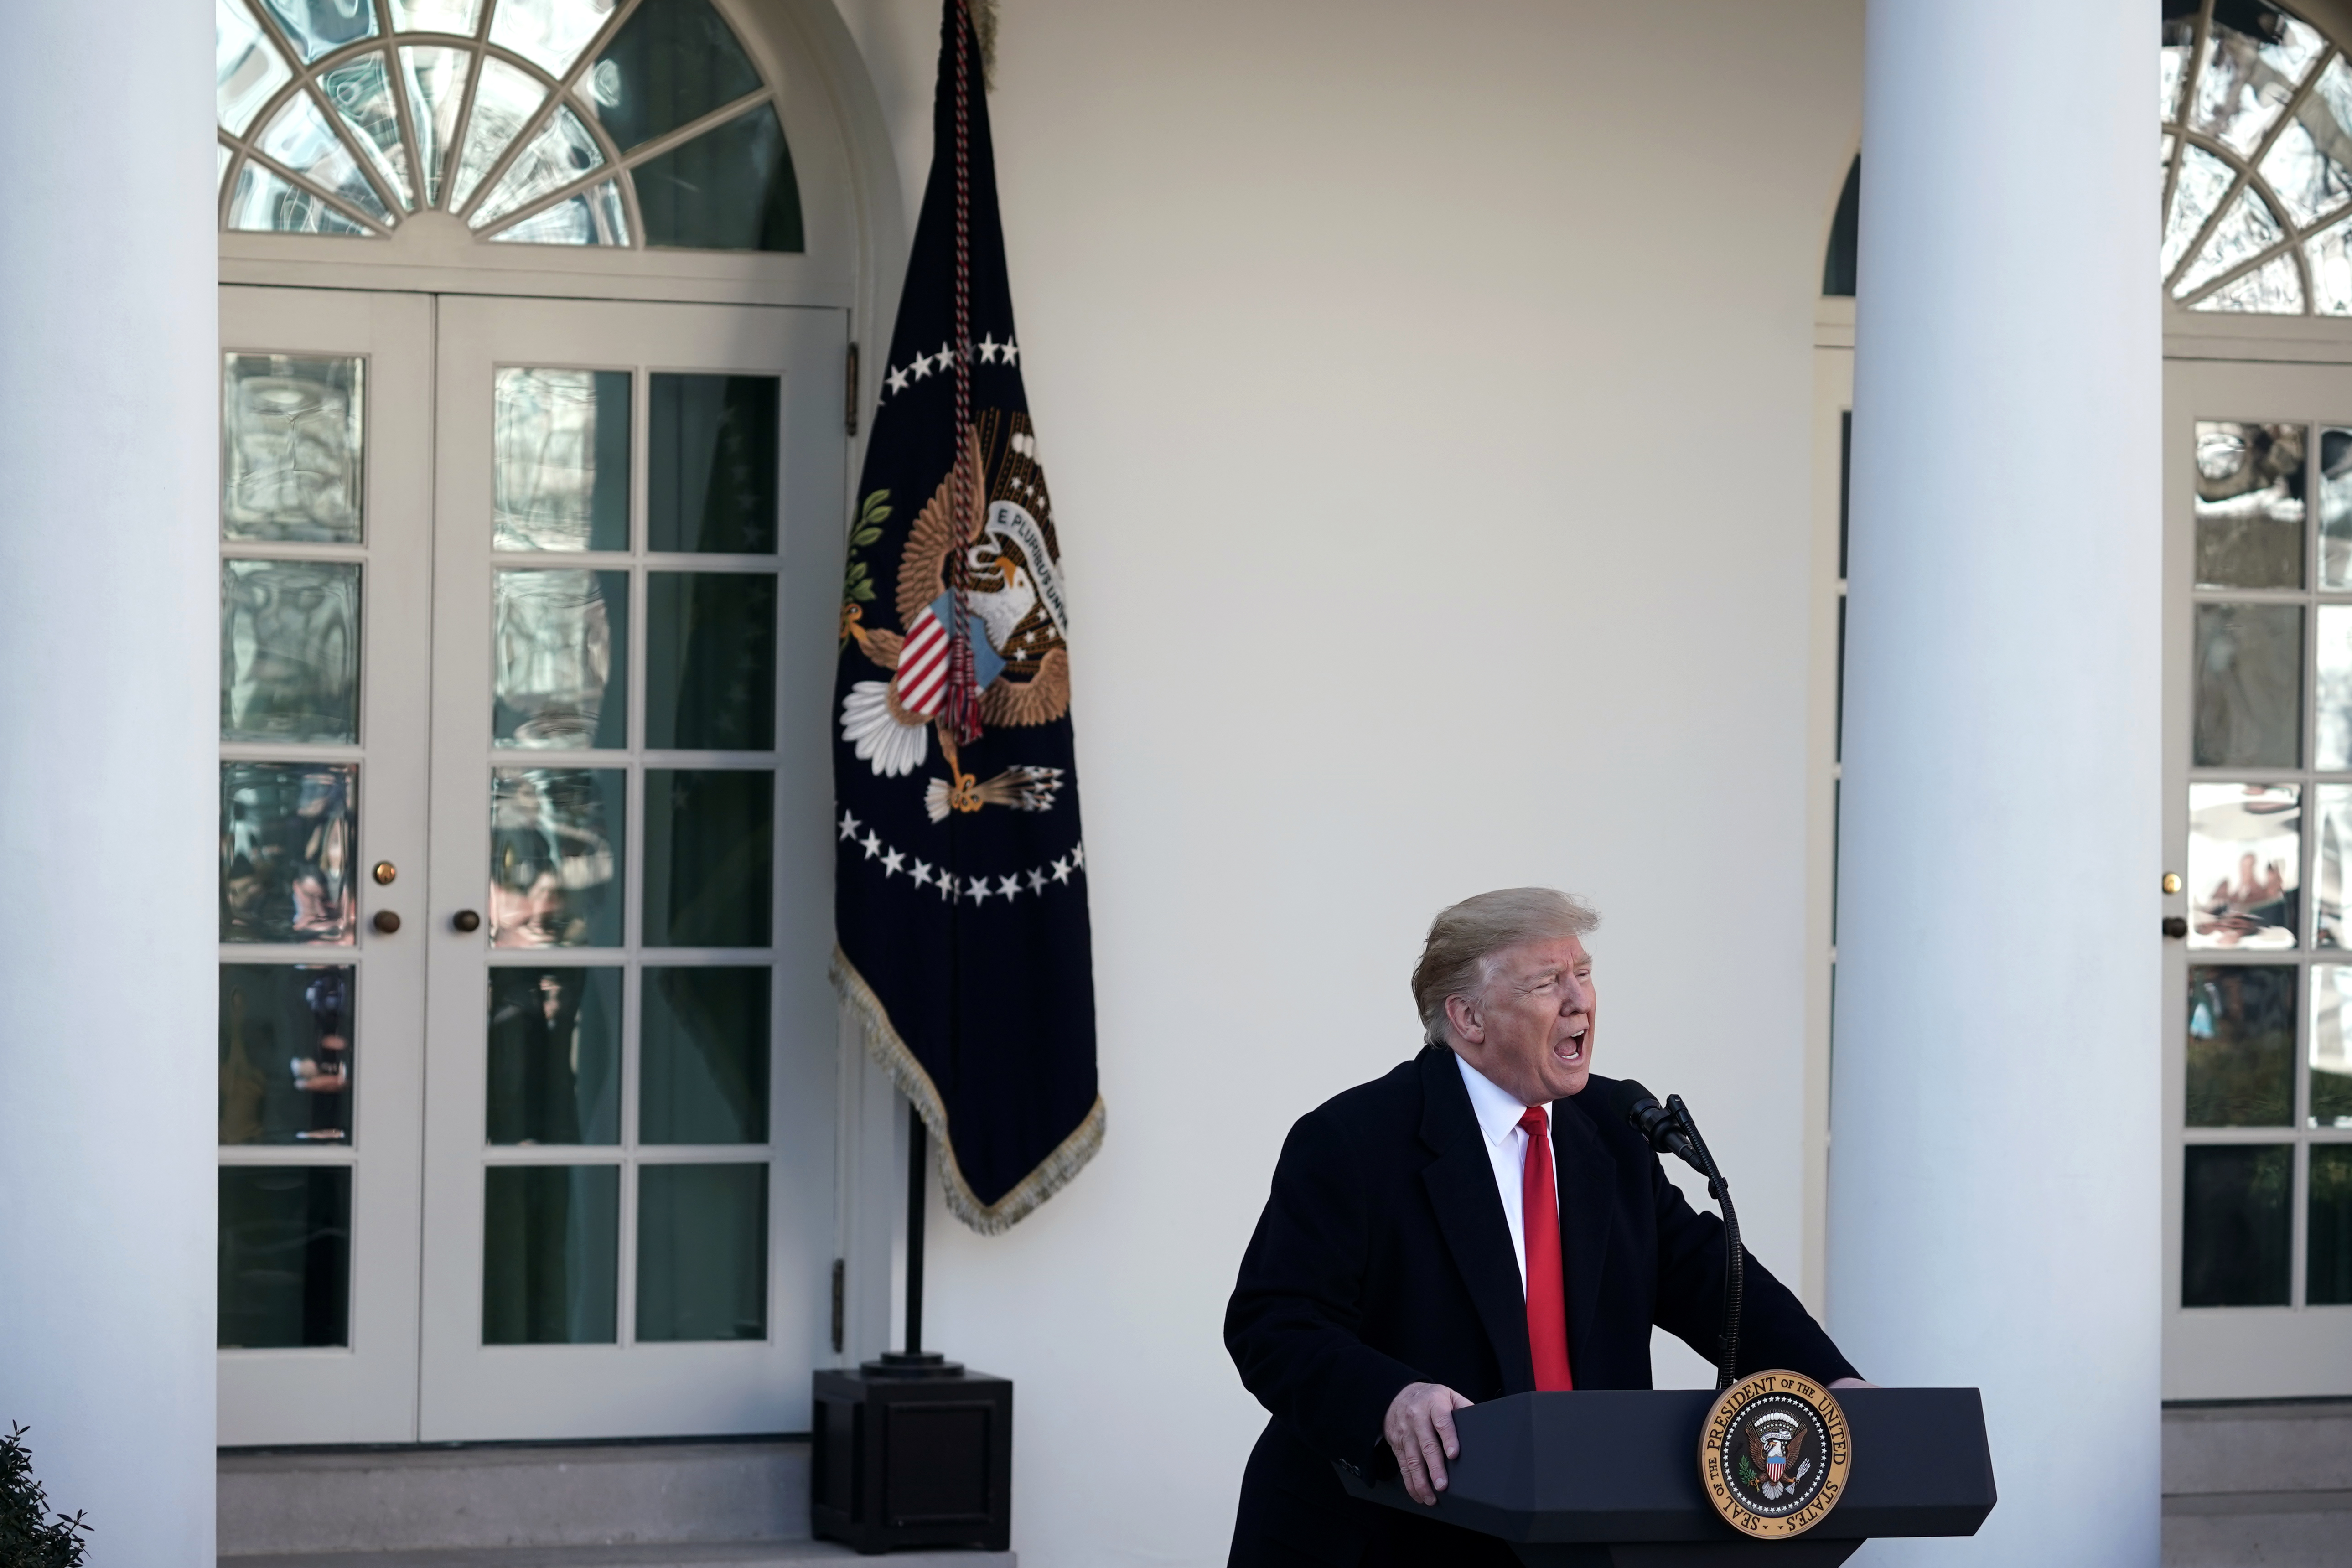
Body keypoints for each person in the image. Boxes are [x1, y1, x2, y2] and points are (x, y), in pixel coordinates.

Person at [1223, 888, 1866, 1566]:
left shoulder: (1611, 1135)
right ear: (1467, 1017)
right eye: (1544, 983)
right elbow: (1274, 1321)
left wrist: (1831, 1382)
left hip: (1571, 1530)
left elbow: (1711, 1279)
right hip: (1384, 1536)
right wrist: (1389, 1399)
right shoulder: (1353, 1141)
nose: (1578, 1001)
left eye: (1582, 974)